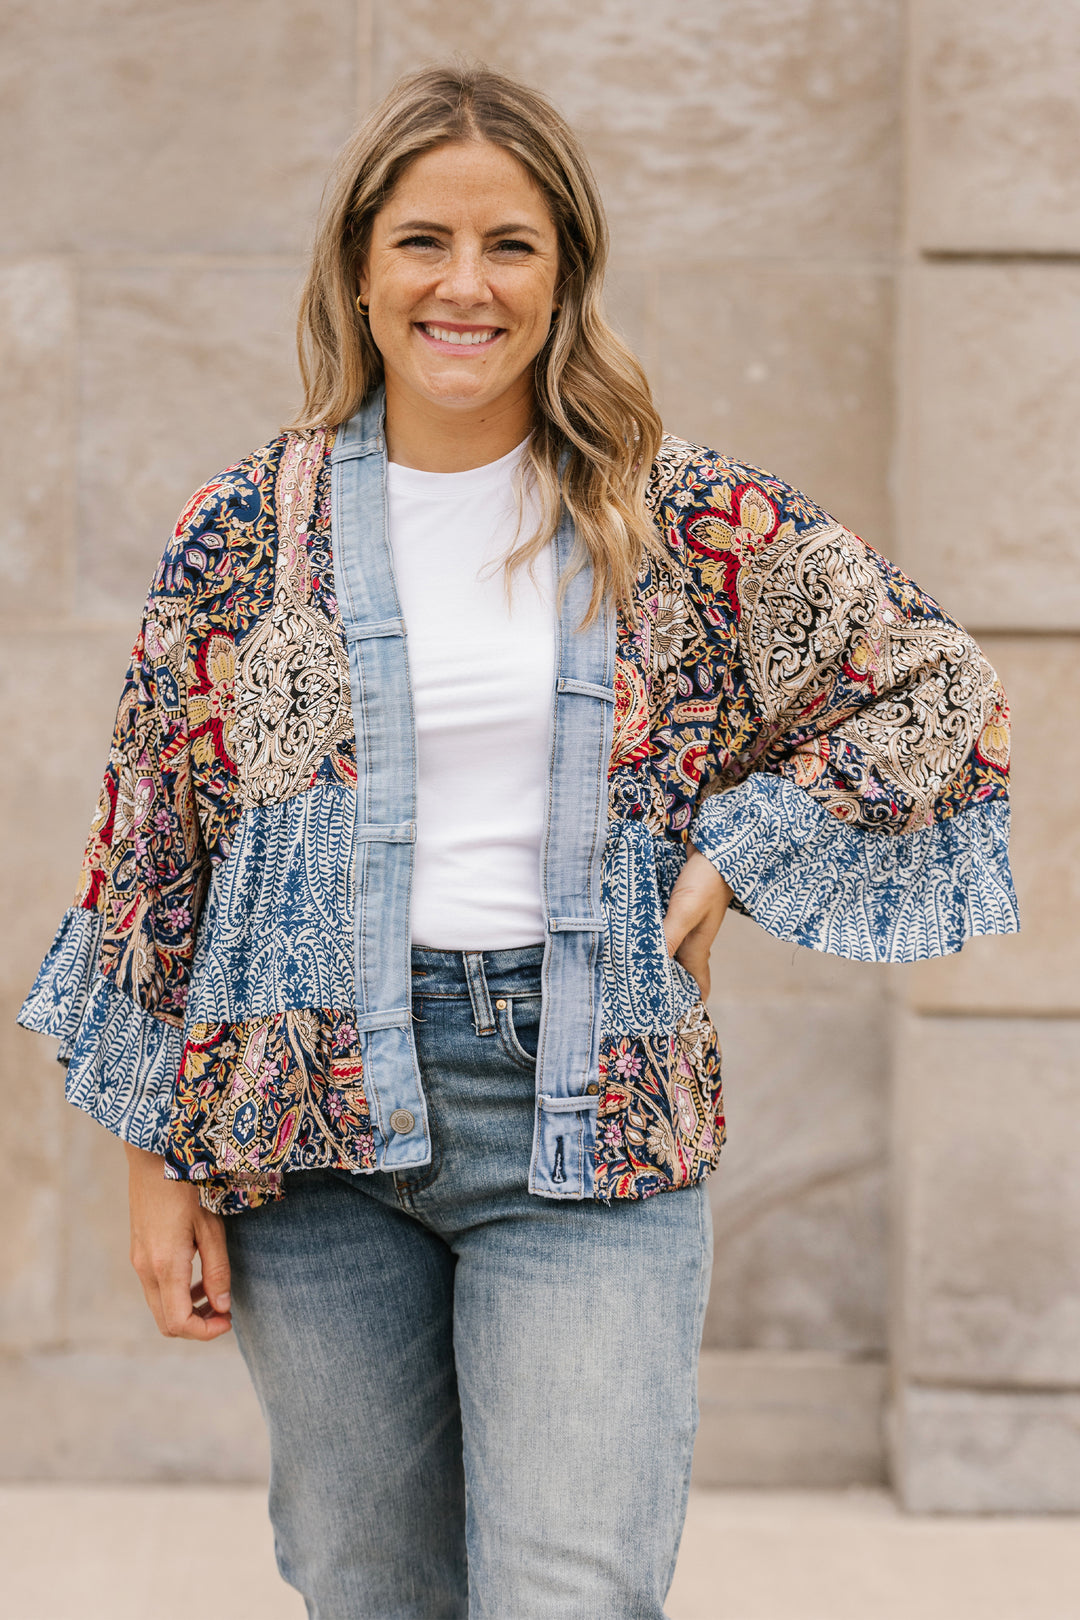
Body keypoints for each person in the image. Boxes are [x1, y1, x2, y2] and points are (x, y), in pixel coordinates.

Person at [19, 62, 1018, 1620]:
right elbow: (156, 844)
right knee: (370, 1585)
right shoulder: (244, 530)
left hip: (592, 1118)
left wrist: (736, 855)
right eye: (424, 242)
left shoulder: (669, 514)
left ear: (565, 276)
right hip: (309, 1142)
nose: (463, 286)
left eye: (511, 246)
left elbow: (932, 680)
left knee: (571, 1592)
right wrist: (157, 1164)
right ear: (360, 265)